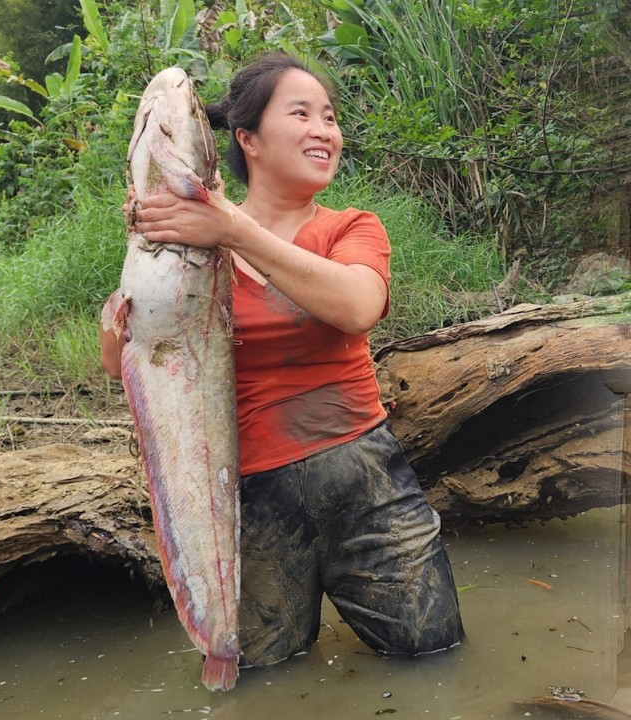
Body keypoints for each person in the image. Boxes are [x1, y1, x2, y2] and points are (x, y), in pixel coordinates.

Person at [100, 53, 464, 669]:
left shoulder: (353, 227)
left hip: (364, 480)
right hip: (249, 494)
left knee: (433, 654)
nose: (325, 130)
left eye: (330, 117)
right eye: (302, 113)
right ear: (249, 139)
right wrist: (140, 264)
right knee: (260, 676)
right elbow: (122, 360)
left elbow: (356, 306)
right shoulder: (191, 245)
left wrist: (230, 228)